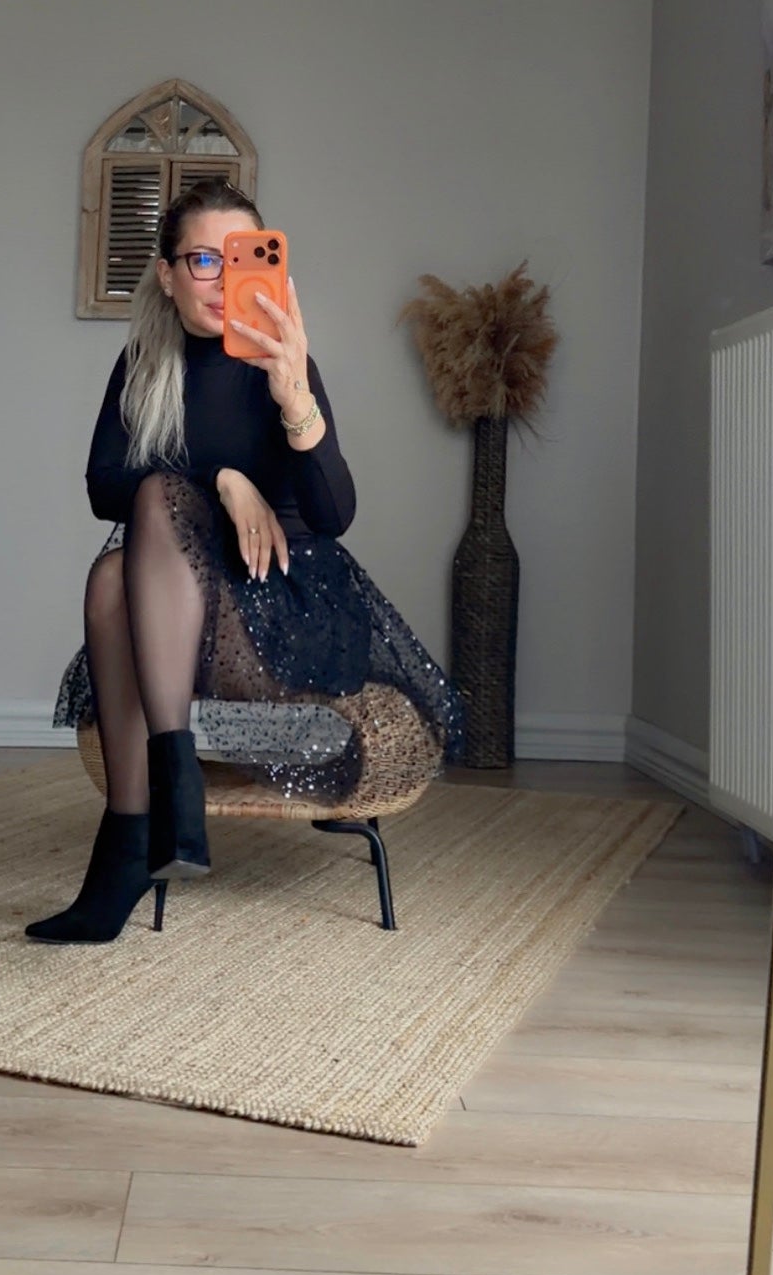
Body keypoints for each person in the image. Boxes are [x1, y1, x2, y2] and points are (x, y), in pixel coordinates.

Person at [25, 178, 463, 944]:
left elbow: (334, 515)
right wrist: (225, 481)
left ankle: (147, 819)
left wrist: (294, 396)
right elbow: (102, 488)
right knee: (116, 567)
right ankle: (145, 825)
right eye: (203, 260)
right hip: (178, 616)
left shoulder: (282, 363)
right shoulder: (143, 364)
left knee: (132, 542)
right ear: (166, 274)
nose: (222, 279)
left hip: (284, 609)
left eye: (241, 258)